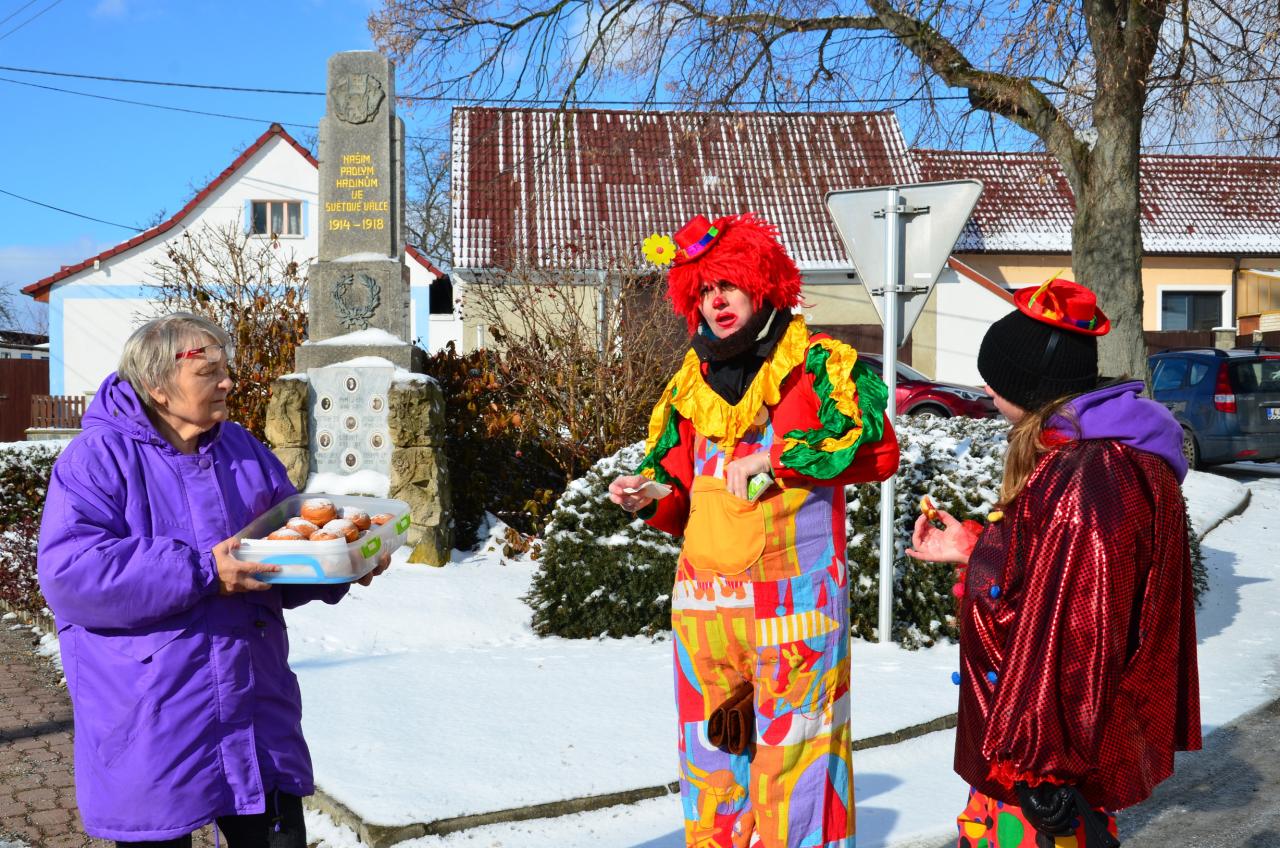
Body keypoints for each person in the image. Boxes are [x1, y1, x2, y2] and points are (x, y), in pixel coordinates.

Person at [37, 313, 389, 847]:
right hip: (151, 719)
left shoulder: (242, 449)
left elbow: (281, 545)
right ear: (157, 385)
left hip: (255, 711)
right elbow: (72, 573)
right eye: (209, 372)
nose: (227, 382)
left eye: (226, 369)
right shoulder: (96, 459)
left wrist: (338, 563)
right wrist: (203, 571)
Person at [609, 213, 900, 847]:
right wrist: (651, 495)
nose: (716, 301)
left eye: (729, 285)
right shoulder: (689, 384)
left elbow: (878, 449)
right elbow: (679, 494)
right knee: (712, 768)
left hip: (795, 615)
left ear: (762, 285)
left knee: (799, 768)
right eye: (704, 290)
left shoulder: (817, 364)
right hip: (705, 618)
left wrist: (778, 458)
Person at [906, 279, 1201, 848]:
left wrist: (1043, 766)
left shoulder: (1090, 478)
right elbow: (1049, 580)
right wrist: (975, 548)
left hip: (1037, 760)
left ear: (1029, 387)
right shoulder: (1082, 455)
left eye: (995, 380)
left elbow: (1079, 633)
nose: (986, 390)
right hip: (1021, 739)